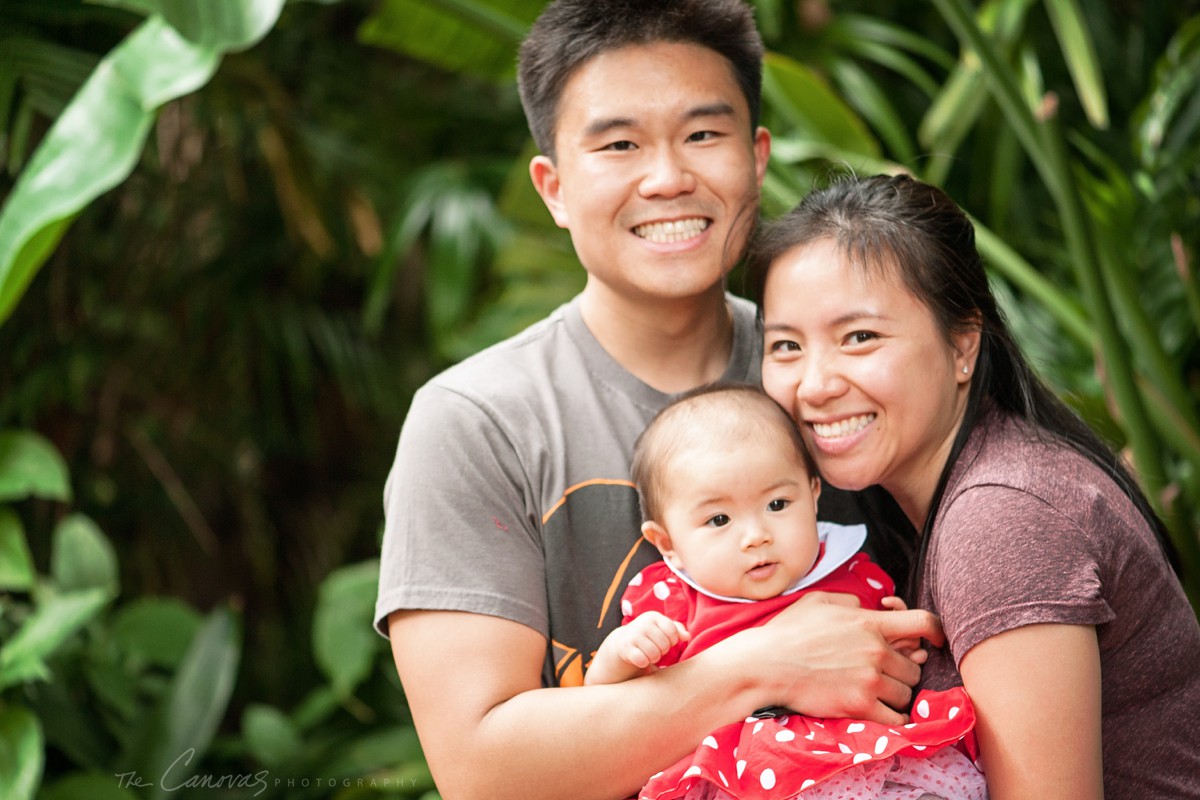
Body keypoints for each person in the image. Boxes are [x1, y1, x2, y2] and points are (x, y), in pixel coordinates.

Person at [374, 3, 942, 799]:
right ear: (555, 188)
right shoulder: (479, 422)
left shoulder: (837, 380)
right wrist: (761, 664)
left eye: (704, 135)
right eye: (619, 144)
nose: (669, 177)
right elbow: (481, 769)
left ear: (757, 157)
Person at [753, 172, 1200, 800]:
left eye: (860, 337)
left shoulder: (1001, 519)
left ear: (964, 344)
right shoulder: (938, 493)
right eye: (787, 346)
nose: (815, 384)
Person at [587, 383, 985, 800]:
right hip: (737, 777)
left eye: (777, 505)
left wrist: (901, 644)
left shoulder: (849, 572)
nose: (756, 536)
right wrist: (622, 655)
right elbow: (608, 708)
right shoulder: (671, 602)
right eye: (719, 519)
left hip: (860, 758)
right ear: (667, 543)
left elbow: (890, 661)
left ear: (813, 495)